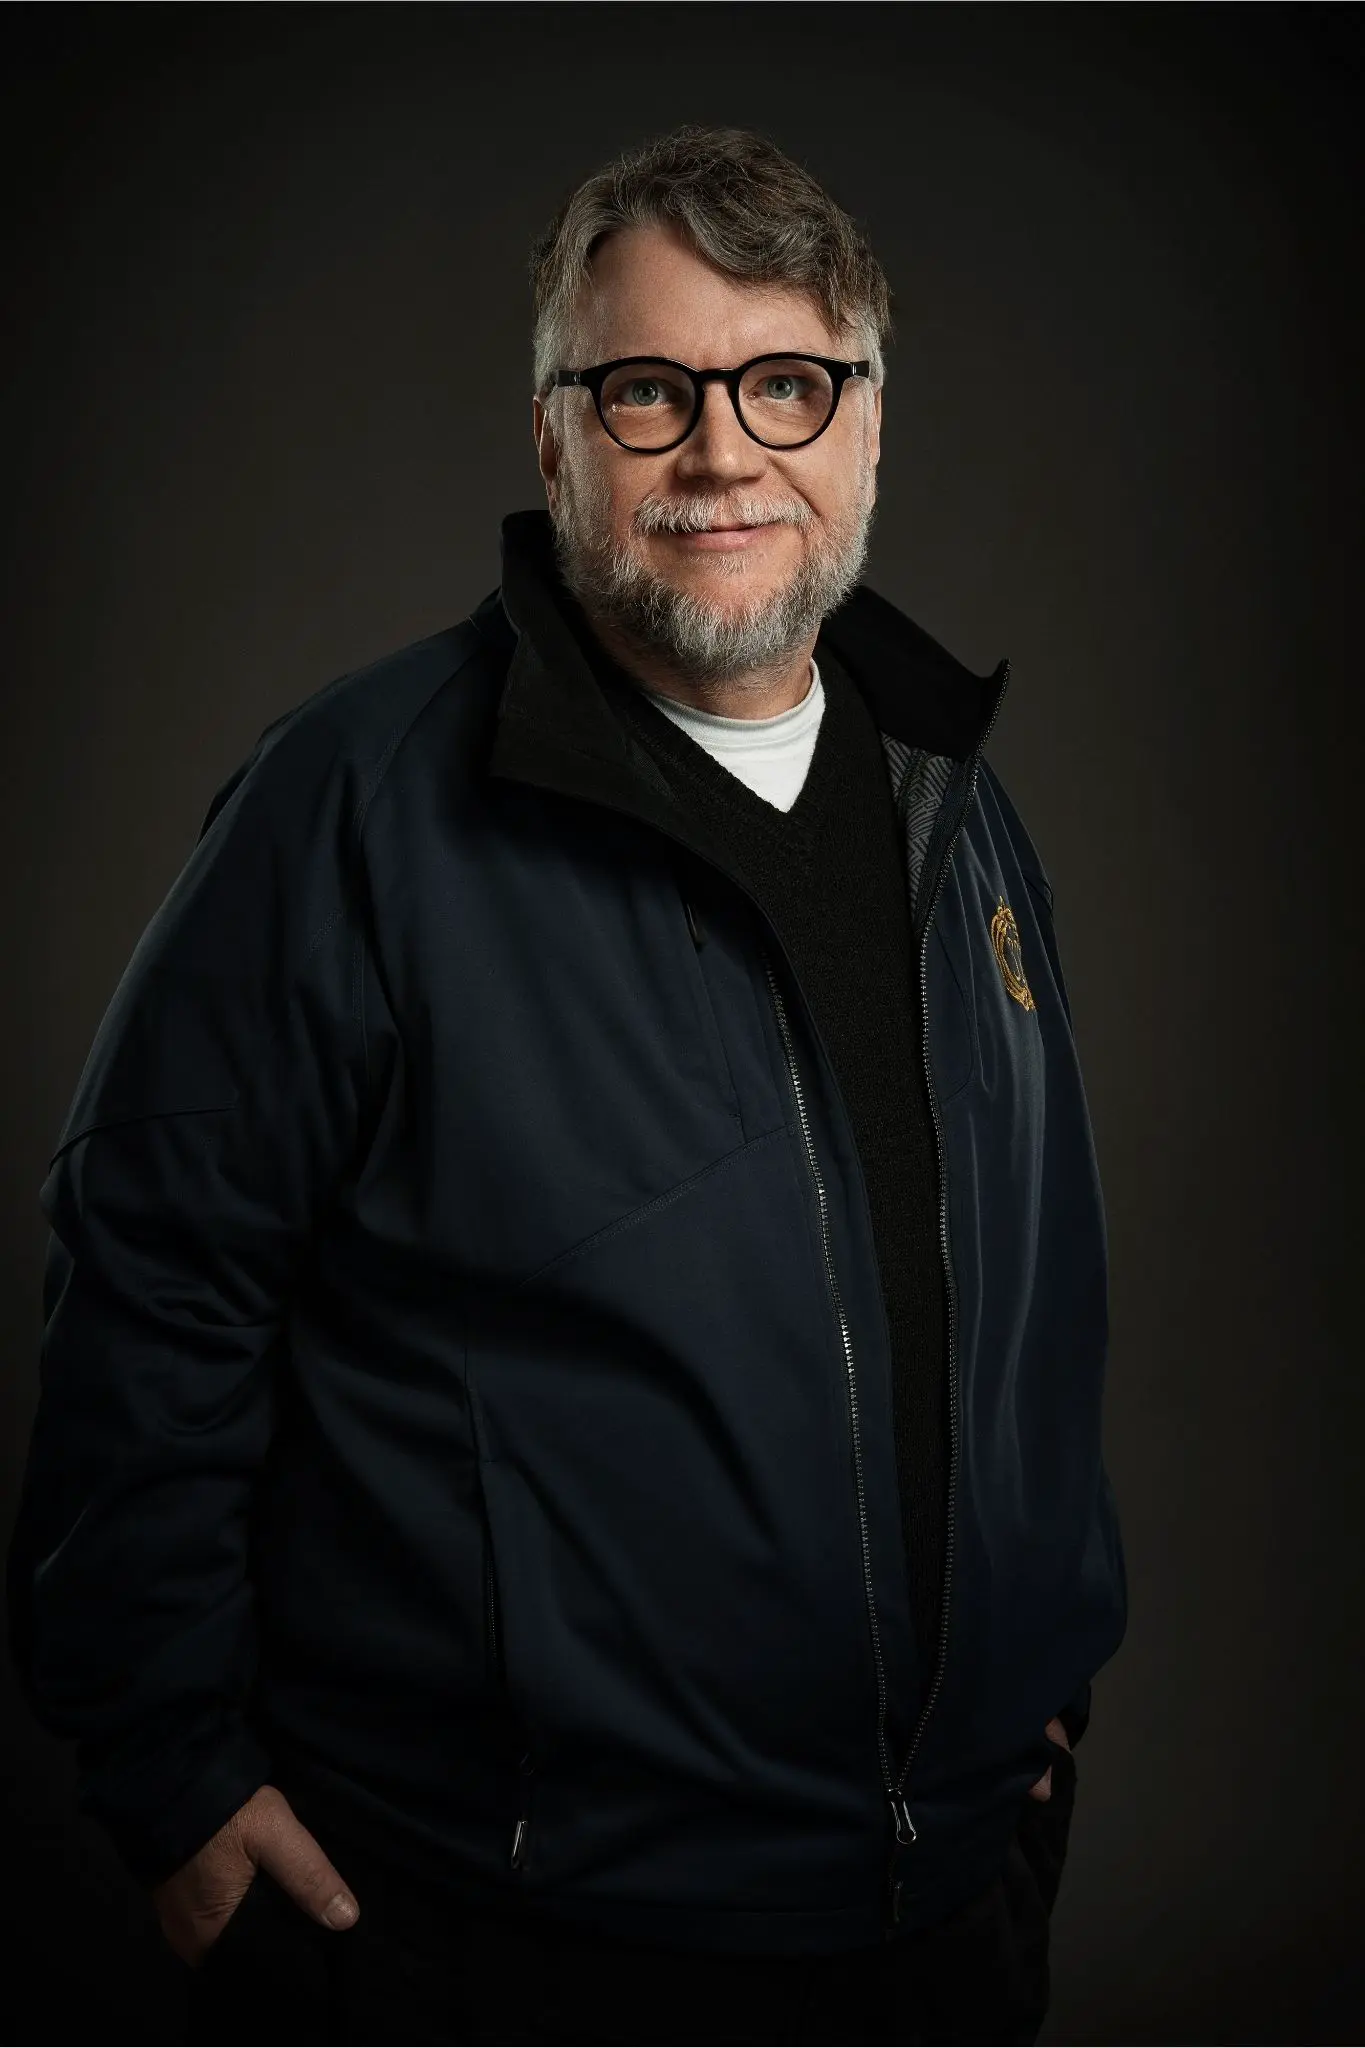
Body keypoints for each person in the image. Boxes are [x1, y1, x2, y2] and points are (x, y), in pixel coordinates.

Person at [7, 124, 1127, 2046]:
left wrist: (1036, 1694)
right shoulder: (352, 810)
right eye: (646, 390)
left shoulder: (959, 811)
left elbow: (1024, 1301)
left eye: (786, 385)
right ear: (552, 437)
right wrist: (170, 1776)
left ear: (866, 433)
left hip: (941, 1913)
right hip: (501, 1933)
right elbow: (154, 1281)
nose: (720, 452)